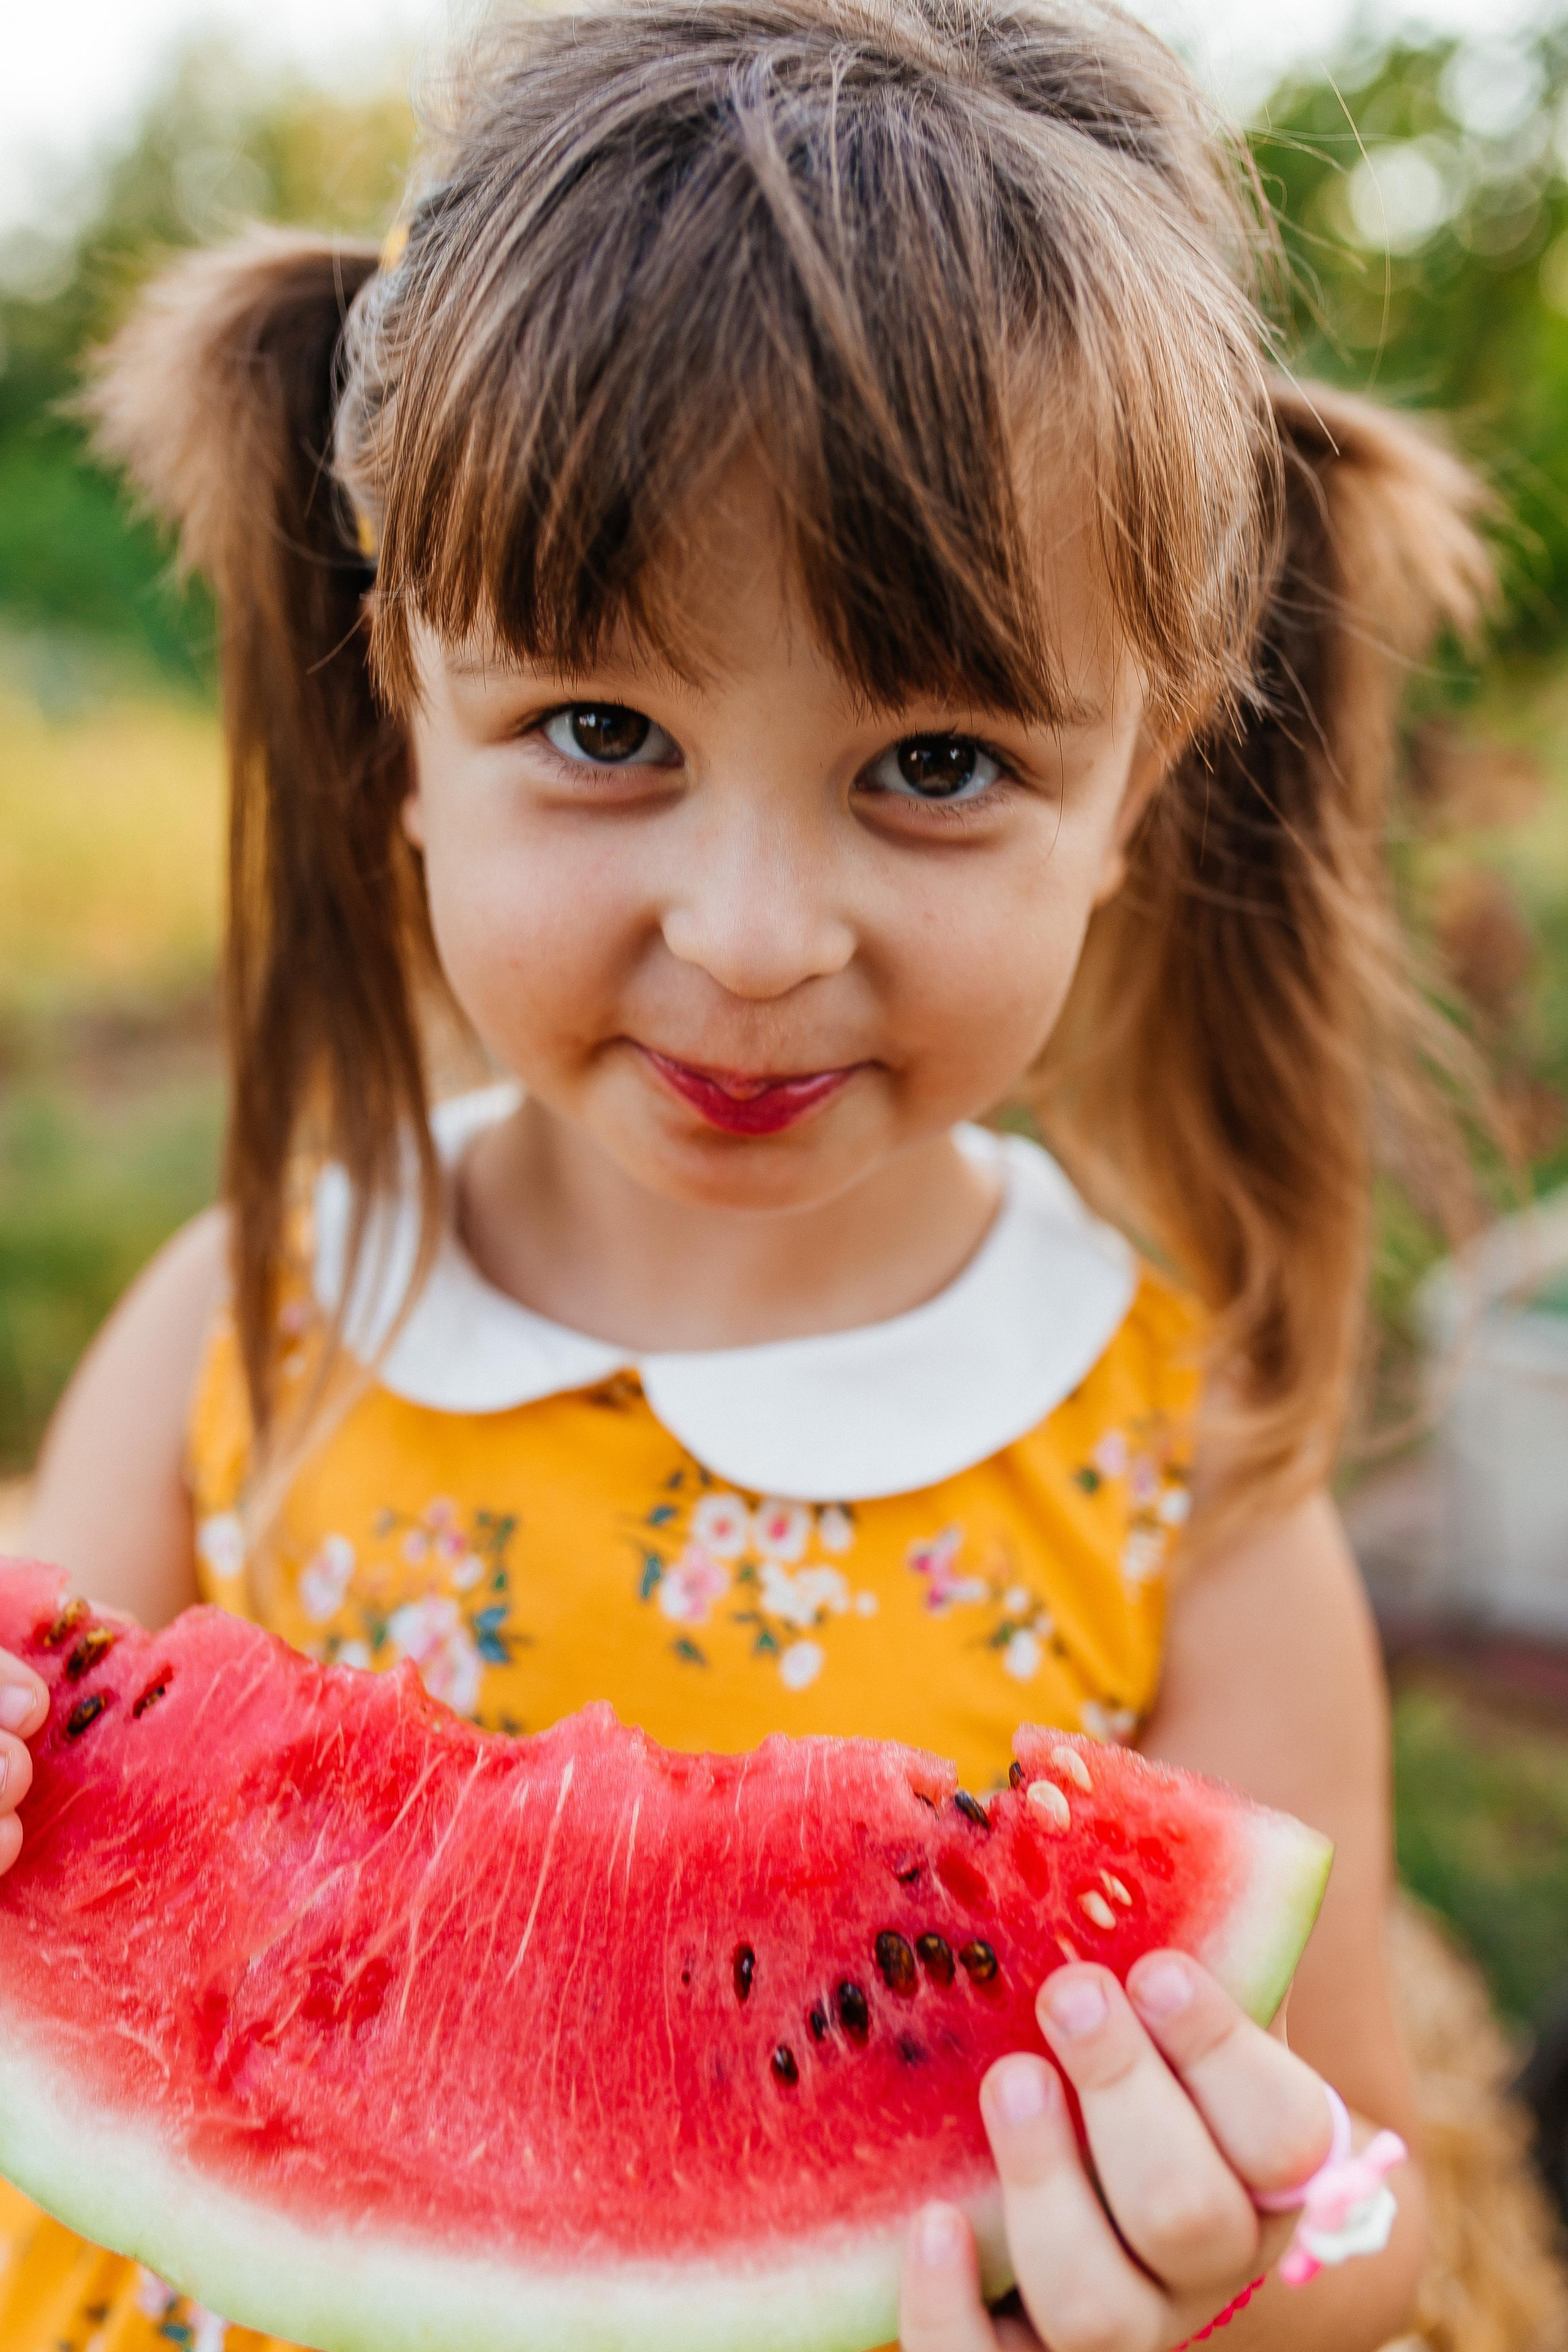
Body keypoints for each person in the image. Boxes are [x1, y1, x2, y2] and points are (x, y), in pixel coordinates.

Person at [0, 0, 1496, 2345]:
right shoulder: (248, 1315)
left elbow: (1372, 2199)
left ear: (1138, 793)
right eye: (605, 729)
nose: (757, 937)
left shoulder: (1179, 1467)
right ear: (407, 718)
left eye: (937, 763)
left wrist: (1214, 2271)